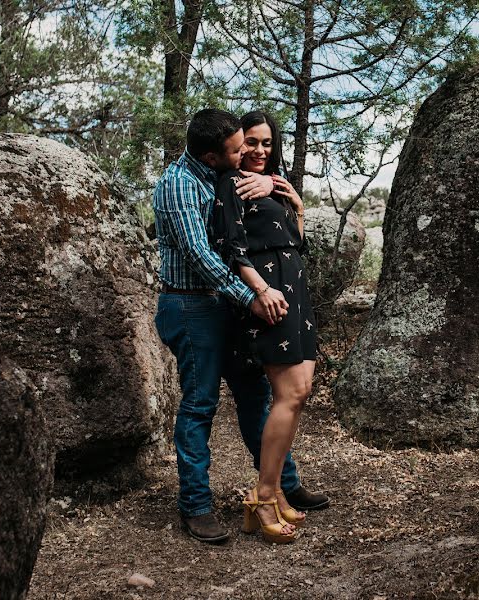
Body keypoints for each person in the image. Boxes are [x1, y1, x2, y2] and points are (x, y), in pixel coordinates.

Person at [152, 108, 328, 544]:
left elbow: (255, 187)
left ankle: (282, 486)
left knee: (255, 396)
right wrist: (253, 295)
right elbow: (202, 256)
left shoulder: (221, 170)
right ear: (214, 156)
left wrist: (274, 185)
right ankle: (195, 505)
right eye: (238, 148)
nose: (247, 152)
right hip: (195, 304)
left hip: (228, 304)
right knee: (200, 404)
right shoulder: (180, 183)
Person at [212, 110, 317, 543]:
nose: (258, 151)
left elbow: (297, 240)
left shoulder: (276, 183)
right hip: (267, 295)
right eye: (251, 142)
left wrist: (295, 203)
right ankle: (263, 494)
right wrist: (257, 292)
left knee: (300, 391)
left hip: (294, 291)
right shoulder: (232, 184)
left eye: (267, 144)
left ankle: (271, 493)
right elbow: (230, 247)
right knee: (287, 393)